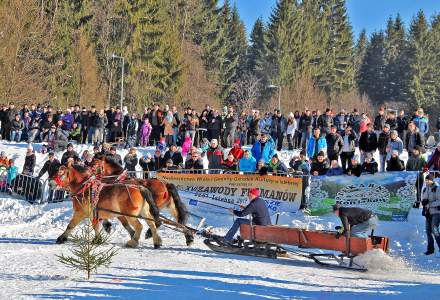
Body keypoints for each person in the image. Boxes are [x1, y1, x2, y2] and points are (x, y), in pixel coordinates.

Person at [422, 174, 440, 255]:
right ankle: (430, 249)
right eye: (426, 180)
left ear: (432, 180)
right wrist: (423, 202)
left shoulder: (437, 188)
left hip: (436, 213)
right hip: (428, 213)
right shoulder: (425, 189)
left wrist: (429, 204)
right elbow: (423, 199)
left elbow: (439, 201)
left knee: (435, 230)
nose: (426, 182)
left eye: (428, 180)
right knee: (428, 231)